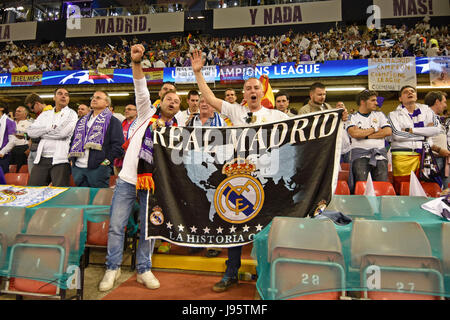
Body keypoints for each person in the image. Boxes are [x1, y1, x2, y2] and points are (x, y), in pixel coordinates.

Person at [192, 48, 289, 292]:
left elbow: (304, 130)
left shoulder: (276, 114)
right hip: (239, 178)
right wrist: (198, 73)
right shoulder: (235, 111)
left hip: (268, 180)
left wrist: (334, 119)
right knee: (235, 224)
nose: (253, 91)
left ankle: (264, 272)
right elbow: (211, 100)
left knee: (265, 227)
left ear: (262, 91)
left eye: (256, 88)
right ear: (243, 94)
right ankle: (231, 272)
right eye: (248, 88)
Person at [99, 44, 181, 292]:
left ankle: (144, 269)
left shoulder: (179, 129)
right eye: (169, 98)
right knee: (116, 225)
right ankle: (112, 268)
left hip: (155, 184)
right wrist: (137, 62)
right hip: (127, 179)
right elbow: (140, 87)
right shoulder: (147, 112)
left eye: (177, 101)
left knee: (149, 229)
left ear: (179, 108)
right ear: (161, 101)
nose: (173, 102)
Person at [186, 95, 228, 258]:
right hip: (194, 170)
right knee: (196, 205)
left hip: (213, 170)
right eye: (201, 101)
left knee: (214, 206)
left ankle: (214, 243)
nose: (203, 104)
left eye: (207, 102)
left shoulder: (222, 123)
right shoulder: (191, 122)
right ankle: (197, 240)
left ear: (214, 107)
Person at [388, 85, 441, 194]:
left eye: (412, 91)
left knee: (427, 188)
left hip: (424, 155)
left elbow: (436, 129)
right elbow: (397, 135)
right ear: (400, 99)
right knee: (403, 189)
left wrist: (410, 130)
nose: (410, 93)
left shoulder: (427, 110)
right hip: (402, 156)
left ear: (416, 96)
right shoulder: (393, 115)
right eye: (405, 92)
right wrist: (424, 134)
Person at [69, 91, 124, 188]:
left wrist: (106, 163)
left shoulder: (113, 121)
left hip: (98, 169)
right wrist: (72, 160)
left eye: (98, 98)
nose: (94, 99)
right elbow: (73, 140)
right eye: (93, 97)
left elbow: (118, 146)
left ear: (107, 103)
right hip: (78, 167)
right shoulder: (82, 121)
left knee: (97, 201)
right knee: (81, 200)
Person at [27, 88, 78, 187]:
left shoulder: (72, 114)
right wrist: (49, 128)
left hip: (61, 159)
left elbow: (62, 133)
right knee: (33, 189)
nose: (63, 96)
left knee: (59, 193)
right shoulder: (45, 114)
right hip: (41, 158)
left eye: (66, 95)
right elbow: (31, 132)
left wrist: (41, 133)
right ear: (54, 97)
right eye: (60, 94)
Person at [346, 90, 392, 191]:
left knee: (382, 188)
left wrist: (365, 135)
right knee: (362, 188)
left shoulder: (380, 115)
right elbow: (354, 133)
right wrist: (375, 129)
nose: (376, 103)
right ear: (363, 102)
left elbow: (388, 131)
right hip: (360, 157)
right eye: (373, 100)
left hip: (380, 156)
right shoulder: (352, 117)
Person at [425, 91, 449, 188]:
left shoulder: (438, 119)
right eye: (444, 102)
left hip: (443, 158)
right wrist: (439, 150)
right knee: (433, 189)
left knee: (445, 190)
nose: (445, 105)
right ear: (437, 102)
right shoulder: (426, 117)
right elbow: (424, 139)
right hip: (433, 159)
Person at [23, 93, 53, 173]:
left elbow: (46, 133)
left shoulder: (49, 113)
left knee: (39, 179)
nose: (32, 110)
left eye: (32, 107)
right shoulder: (41, 114)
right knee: (34, 179)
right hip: (34, 149)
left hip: (41, 151)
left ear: (37, 103)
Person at [113, 104, 137, 175]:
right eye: (125, 109)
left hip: (131, 158)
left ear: (136, 112)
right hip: (119, 157)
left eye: (129, 109)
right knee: (117, 180)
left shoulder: (139, 124)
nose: (126, 111)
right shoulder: (121, 123)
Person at [10, 106, 32, 172]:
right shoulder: (11, 123)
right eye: (16, 111)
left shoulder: (29, 123)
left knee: (21, 169)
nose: (16, 113)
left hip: (22, 149)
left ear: (25, 114)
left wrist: (29, 149)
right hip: (10, 149)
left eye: (19, 111)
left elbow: (31, 136)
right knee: (10, 169)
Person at [0, 103, 17, 174]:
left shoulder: (9, 121)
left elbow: (12, 141)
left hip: (3, 156)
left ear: (1, 108)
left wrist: (2, 152)